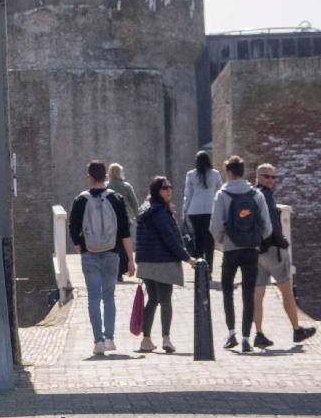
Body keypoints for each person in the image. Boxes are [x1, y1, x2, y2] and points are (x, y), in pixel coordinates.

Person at [66, 160, 133, 357]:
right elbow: (125, 231)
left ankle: (98, 342)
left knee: (93, 298)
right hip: (112, 254)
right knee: (109, 296)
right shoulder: (116, 198)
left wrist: (82, 249)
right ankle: (110, 338)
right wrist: (130, 259)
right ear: (105, 177)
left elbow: (73, 228)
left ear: (89, 176)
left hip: (90, 253)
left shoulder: (81, 199)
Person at [251, 162, 319, 348]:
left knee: (257, 295)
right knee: (287, 292)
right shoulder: (266, 196)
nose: (271, 180)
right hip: (273, 251)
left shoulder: (249, 195)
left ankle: (258, 334)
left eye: (273, 177)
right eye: (267, 176)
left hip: (256, 251)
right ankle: (297, 330)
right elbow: (270, 224)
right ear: (258, 177)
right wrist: (281, 241)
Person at [211, 155, 273, 350]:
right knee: (248, 293)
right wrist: (255, 238)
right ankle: (247, 338)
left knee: (228, 291)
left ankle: (231, 334)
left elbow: (215, 225)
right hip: (251, 250)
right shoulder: (256, 195)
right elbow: (267, 226)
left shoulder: (222, 195)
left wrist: (222, 242)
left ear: (229, 173)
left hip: (230, 249)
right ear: (243, 172)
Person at [133, 175, 189, 354]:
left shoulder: (145, 208)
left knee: (153, 300)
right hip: (162, 260)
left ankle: (146, 340)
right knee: (165, 300)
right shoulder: (160, 211)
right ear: (157, 191)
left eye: (170, 187)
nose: (169, 190)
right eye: (165, 188)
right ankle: (166, 338)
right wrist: (188, 258)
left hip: (146, 261)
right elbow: (170, 238)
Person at [180, 150, 222, 266]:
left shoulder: (191, 174)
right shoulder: (215, 174)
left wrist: (185, 211)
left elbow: (187, 195)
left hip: (194, 210)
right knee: (209, 240)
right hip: (210, 210)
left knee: (198, 239)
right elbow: (221, 190)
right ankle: (209, 269)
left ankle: (199, 268)